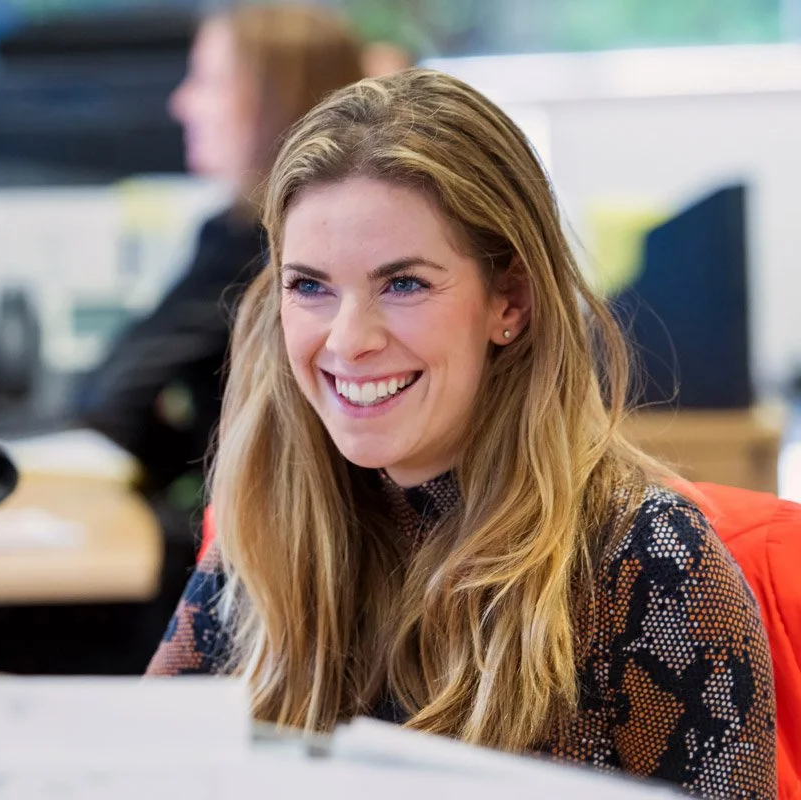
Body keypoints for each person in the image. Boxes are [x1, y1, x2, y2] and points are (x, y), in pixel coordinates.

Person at [147, 69, 776, 798]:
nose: (348, 342)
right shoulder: (266, 542)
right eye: (310, 286)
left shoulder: (646, 565)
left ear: (510, 300)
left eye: (404, 284)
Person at [74, 5, 365, 496]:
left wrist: (196, 481)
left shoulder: (248, 243)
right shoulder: (269, 234)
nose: (182, 103)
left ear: (271, 100)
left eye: (208, 80)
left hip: (263, 528)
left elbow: (109, 398)